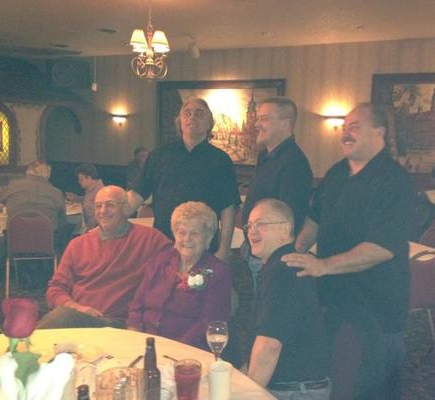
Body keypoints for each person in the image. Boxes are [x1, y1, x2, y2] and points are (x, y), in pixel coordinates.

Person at [282, 103, 416, 399]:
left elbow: (382, 248)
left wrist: (324, 265)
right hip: (333, 296)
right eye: (344, 128)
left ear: (379, 133)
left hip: (377, 302)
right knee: (336, 374)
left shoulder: (395, 181)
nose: (345, 134)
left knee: (376, 383)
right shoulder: (336, 173)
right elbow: (315, 220)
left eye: (354, 127)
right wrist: (295, 251)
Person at [38, 185, 171, 329]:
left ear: (126, 208)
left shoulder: (150, 240)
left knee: (60, 319)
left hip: (118, 323)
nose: (102, 211)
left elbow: (178, 265)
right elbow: (56, 289)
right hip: (79, 316)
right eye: (98, 206)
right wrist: (76, 307)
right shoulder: (78, 244)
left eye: (110, 205)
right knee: (58, 318)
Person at [127, 98, 240, 261]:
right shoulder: (159, 155)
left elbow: (228, 208)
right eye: (187, 113)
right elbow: (136, 195)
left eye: (199, 114)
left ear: (209, 123)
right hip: (163, 243)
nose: (192, 117)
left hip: (204, 245)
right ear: (179, 122)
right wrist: (113, 216)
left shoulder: (221, 160)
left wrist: (223, 250)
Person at [245, 199, 329, 399]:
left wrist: (245, 393)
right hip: (292, 386)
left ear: (285, 230)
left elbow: (269, 347)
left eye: (261, 224)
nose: (252, 232)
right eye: (249, 226)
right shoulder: (280, 265)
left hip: (294, 391)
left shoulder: (282, 271)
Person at [126, 201, 231, 350]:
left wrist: (174, 348)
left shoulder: (218, 272)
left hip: (186, 350)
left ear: (208, 238)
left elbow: (207, 323)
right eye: (182, 232)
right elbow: (137, 303)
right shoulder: (161, 260)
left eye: (194, 233)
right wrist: (135, 334)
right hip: (145, 343)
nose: (187, 239)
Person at [241, 96, 312, 285]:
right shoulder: (265, 155)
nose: (256, 124)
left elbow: (290, 218)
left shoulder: (294, 163)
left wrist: (275, 261)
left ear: (285, 123)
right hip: (257, 248)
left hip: (271, 256)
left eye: (264, 119)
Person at [0, 161, 67, 232]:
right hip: (46, 236)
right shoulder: (56, 192)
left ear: (27, 172)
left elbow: (1, 201)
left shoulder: (12, 186)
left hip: (15, 234)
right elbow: (62, 221)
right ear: (48, 175)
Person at [66, 163, 104, 231]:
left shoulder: (100, 192)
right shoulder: (90, 189)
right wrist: (76, 198)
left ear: (89, 178)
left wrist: (86, 230)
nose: (79, 182)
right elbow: (88, 200)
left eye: (81, 180)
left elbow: (99, 215)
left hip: (94, 230)